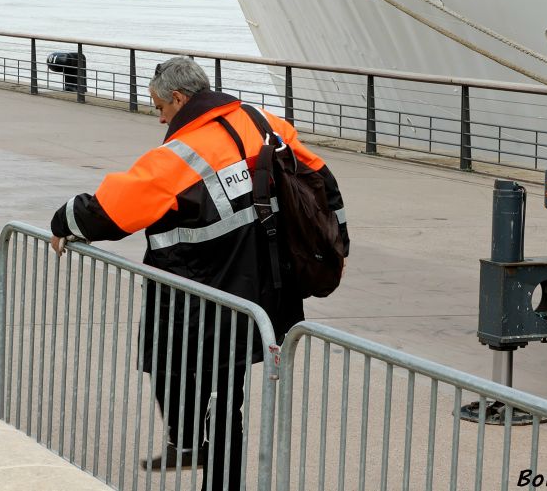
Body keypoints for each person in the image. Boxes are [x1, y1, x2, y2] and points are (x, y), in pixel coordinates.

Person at [49, 56, 349, 491]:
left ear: (178, 97)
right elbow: (320, 178)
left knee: (172, 370)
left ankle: (190, 439)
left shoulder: (182, 154)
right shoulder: (263, 121)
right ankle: (219, 476)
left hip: (199, 294)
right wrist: (336, 241)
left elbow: (115, 207)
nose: (159, 117)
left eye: (160, 107)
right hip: (263, 287)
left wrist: (64, 221)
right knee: (230, 398)